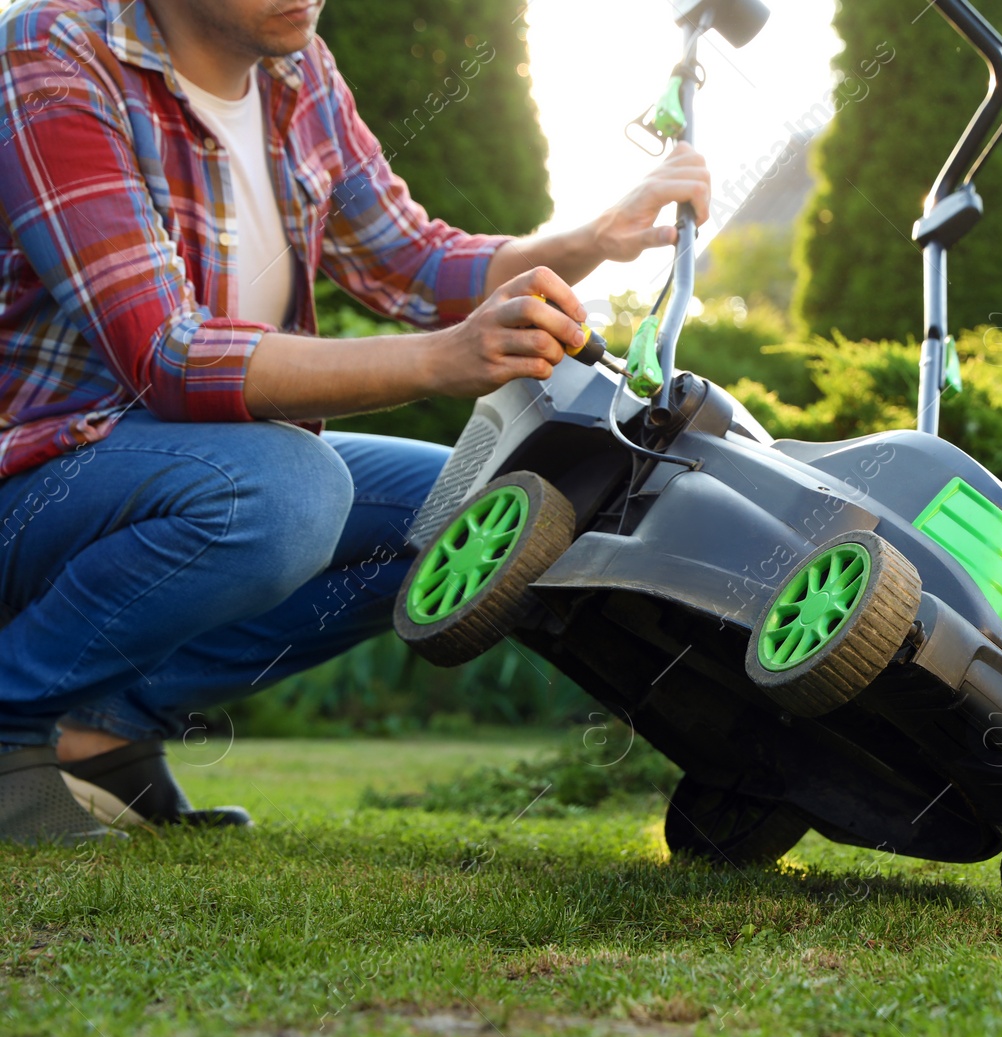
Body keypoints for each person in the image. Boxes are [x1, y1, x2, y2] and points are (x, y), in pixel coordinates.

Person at [0, 0, 711, 843]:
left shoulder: (298, 76)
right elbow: (171, 355)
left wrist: (597, 235)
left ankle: (107, 728)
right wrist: (443, 359)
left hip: (180, 471)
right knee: (286, 490)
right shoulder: (52, 53)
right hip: (39, 483)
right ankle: (11, 725)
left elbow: (421, 262)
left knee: (465, 506)